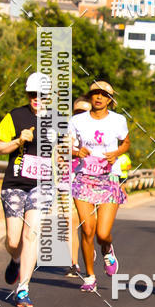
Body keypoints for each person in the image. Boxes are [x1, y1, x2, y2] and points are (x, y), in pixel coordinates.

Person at [0, 72, 52, 307]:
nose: (36, 98)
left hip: (43, 185)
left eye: (41, 94)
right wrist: (18, 141)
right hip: (15, 184)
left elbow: (66, 151)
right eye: (32, 94)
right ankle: (15, 259)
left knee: (32, 234)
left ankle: (23, 289)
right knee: (13, 239)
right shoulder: (14, 116)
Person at [69, 81, 130, 291]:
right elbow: (67, 147)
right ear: (90, 96)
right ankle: (89, 276)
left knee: (102, 233)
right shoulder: (77, 120)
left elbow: (126, 142)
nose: (98, 97)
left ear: (110, 100)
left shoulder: (118, 120)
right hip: (83, 177)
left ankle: (106, 249)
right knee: (87, 229)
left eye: (104, 94)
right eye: (95, 93)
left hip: (109, 178)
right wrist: (77, 153)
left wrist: (116, 153)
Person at [64, 96, 92, 278]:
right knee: (70, 222)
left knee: (88, 226)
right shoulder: (67, 130)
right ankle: (73, 263)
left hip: (91, 181)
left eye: (84, 112)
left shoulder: (97, 131)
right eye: (77, 112)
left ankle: (88, 249)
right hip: (68, 180)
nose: (80, 115)